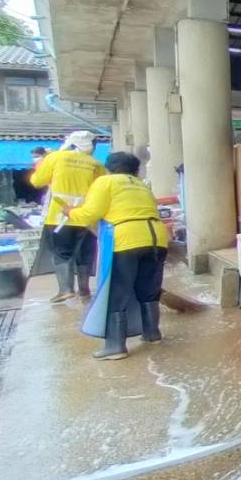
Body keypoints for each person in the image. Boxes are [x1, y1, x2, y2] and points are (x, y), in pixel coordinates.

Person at [67, 151, 170, 360]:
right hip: (156, 238)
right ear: (135, 169)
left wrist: (70, 212)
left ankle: (115, 346)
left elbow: (90, 213)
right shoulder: (141, 185)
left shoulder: (105, 182)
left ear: (109, 168)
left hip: (126, 239)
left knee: (116, 291)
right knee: (149, 288)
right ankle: (152, 333)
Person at [29, 130, 105, 302]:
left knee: (61, 253)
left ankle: (66, 289)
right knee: (85, 252)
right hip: (86, 216)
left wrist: (42, 165)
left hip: (58, 215)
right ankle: (84, 290)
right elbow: (101, 189)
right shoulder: (95, 164)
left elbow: (36, 181)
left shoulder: (55, 158)